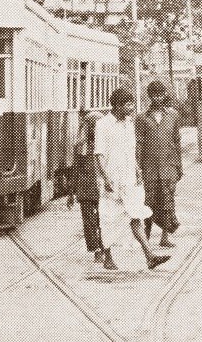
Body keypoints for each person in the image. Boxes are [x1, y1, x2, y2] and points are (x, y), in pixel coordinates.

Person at [94, 88, 171, 270]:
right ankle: (108, 256)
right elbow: (99, 154)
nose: (131, 108)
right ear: (118, 105)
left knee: (136, 215)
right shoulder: (103, 124)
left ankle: (149, 256)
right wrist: (105, 178)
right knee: (109, 218)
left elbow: (131, 151)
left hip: (128, 177)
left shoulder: (129, 124)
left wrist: (137, 170)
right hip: (111, 178)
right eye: (128, 104)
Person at [136, 81, 183, 248]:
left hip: (169, 166)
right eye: (154, 95)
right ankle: (146, 236)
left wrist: (179, 166)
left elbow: (177, 142)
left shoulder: (173, 116)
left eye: (160, 94)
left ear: (164, 95)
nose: (157, 98)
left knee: (167, 201)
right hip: (149, 168)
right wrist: (138, 167)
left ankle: (165, 237)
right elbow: (139, 143)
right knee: (148, 202)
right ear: (149, 96)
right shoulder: (142, 118)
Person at [69, 109, 105, 262]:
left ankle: (102, 247)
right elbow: (75, 170)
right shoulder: (80, 146)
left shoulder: (104, 144)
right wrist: (71, 193)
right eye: (92, 125)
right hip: (87, 188)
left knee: (100, 219)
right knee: (92, 220)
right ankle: (97, 249)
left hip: (100, 188)